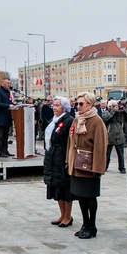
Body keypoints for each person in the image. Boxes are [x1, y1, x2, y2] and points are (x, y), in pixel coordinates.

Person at [67, 92, 108, 239]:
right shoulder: (77, 120)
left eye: (81, 104)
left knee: (90, 197)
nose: (78, 106)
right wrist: (68, 161)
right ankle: (85, 223)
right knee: (80, 196)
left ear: (90, 104)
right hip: (77, 164)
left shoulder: (96, 121)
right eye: (77, 104)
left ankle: (92, 225)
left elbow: (101, 146)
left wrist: (98, 168)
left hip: (89, 165)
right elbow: (70, 142)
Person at [44, 96, 75, 228]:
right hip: (53, 157)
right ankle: (62, 214)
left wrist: (68, 158)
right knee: (57, 187)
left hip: (62, 157)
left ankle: (68, 216)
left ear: (64, 107)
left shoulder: (69, 120)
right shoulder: (54, 121)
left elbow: (70, 141)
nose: (54, 107)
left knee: (65, 188)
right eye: (54, 105)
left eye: (57, 105)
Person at [102, 99, 126, 173]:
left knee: (120, 154)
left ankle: (122, 168)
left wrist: (124, 111)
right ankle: (105, 167)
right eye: (114, 106)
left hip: (119, 135)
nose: (116, 107)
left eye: (117, 106)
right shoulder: (106, 112)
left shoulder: (119, 113)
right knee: (107, 154)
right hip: (110, 136)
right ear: (110, 106)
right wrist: (114, 112)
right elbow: (108, 119)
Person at [0, 77, 14, 157]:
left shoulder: (7, 92)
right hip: (1, 117)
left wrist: (13, 104)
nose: (9, 85)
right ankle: (0, 152)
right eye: (7, 83)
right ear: (3, 83)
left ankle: (5, 150)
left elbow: (9, 101)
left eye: (9, 83)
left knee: (5, 136)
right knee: (0, 136)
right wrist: (8, 105)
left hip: (7, 117)